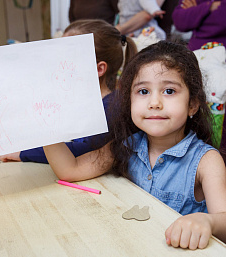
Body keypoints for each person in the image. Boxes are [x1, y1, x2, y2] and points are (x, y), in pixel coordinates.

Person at [43, 41, 226, 249]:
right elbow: (70, 169)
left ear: (192, 104)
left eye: (169, 91)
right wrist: (45, 128)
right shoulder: (126, 146)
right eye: (143, 91)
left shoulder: (206, 161)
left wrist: (207, 221)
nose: (154, 102)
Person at [0, 19, 137, 163]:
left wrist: (23, 154)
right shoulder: (75, 102)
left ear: (98, 69)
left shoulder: (112, 107)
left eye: (67, 57)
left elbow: (83, 149)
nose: (58, 63)